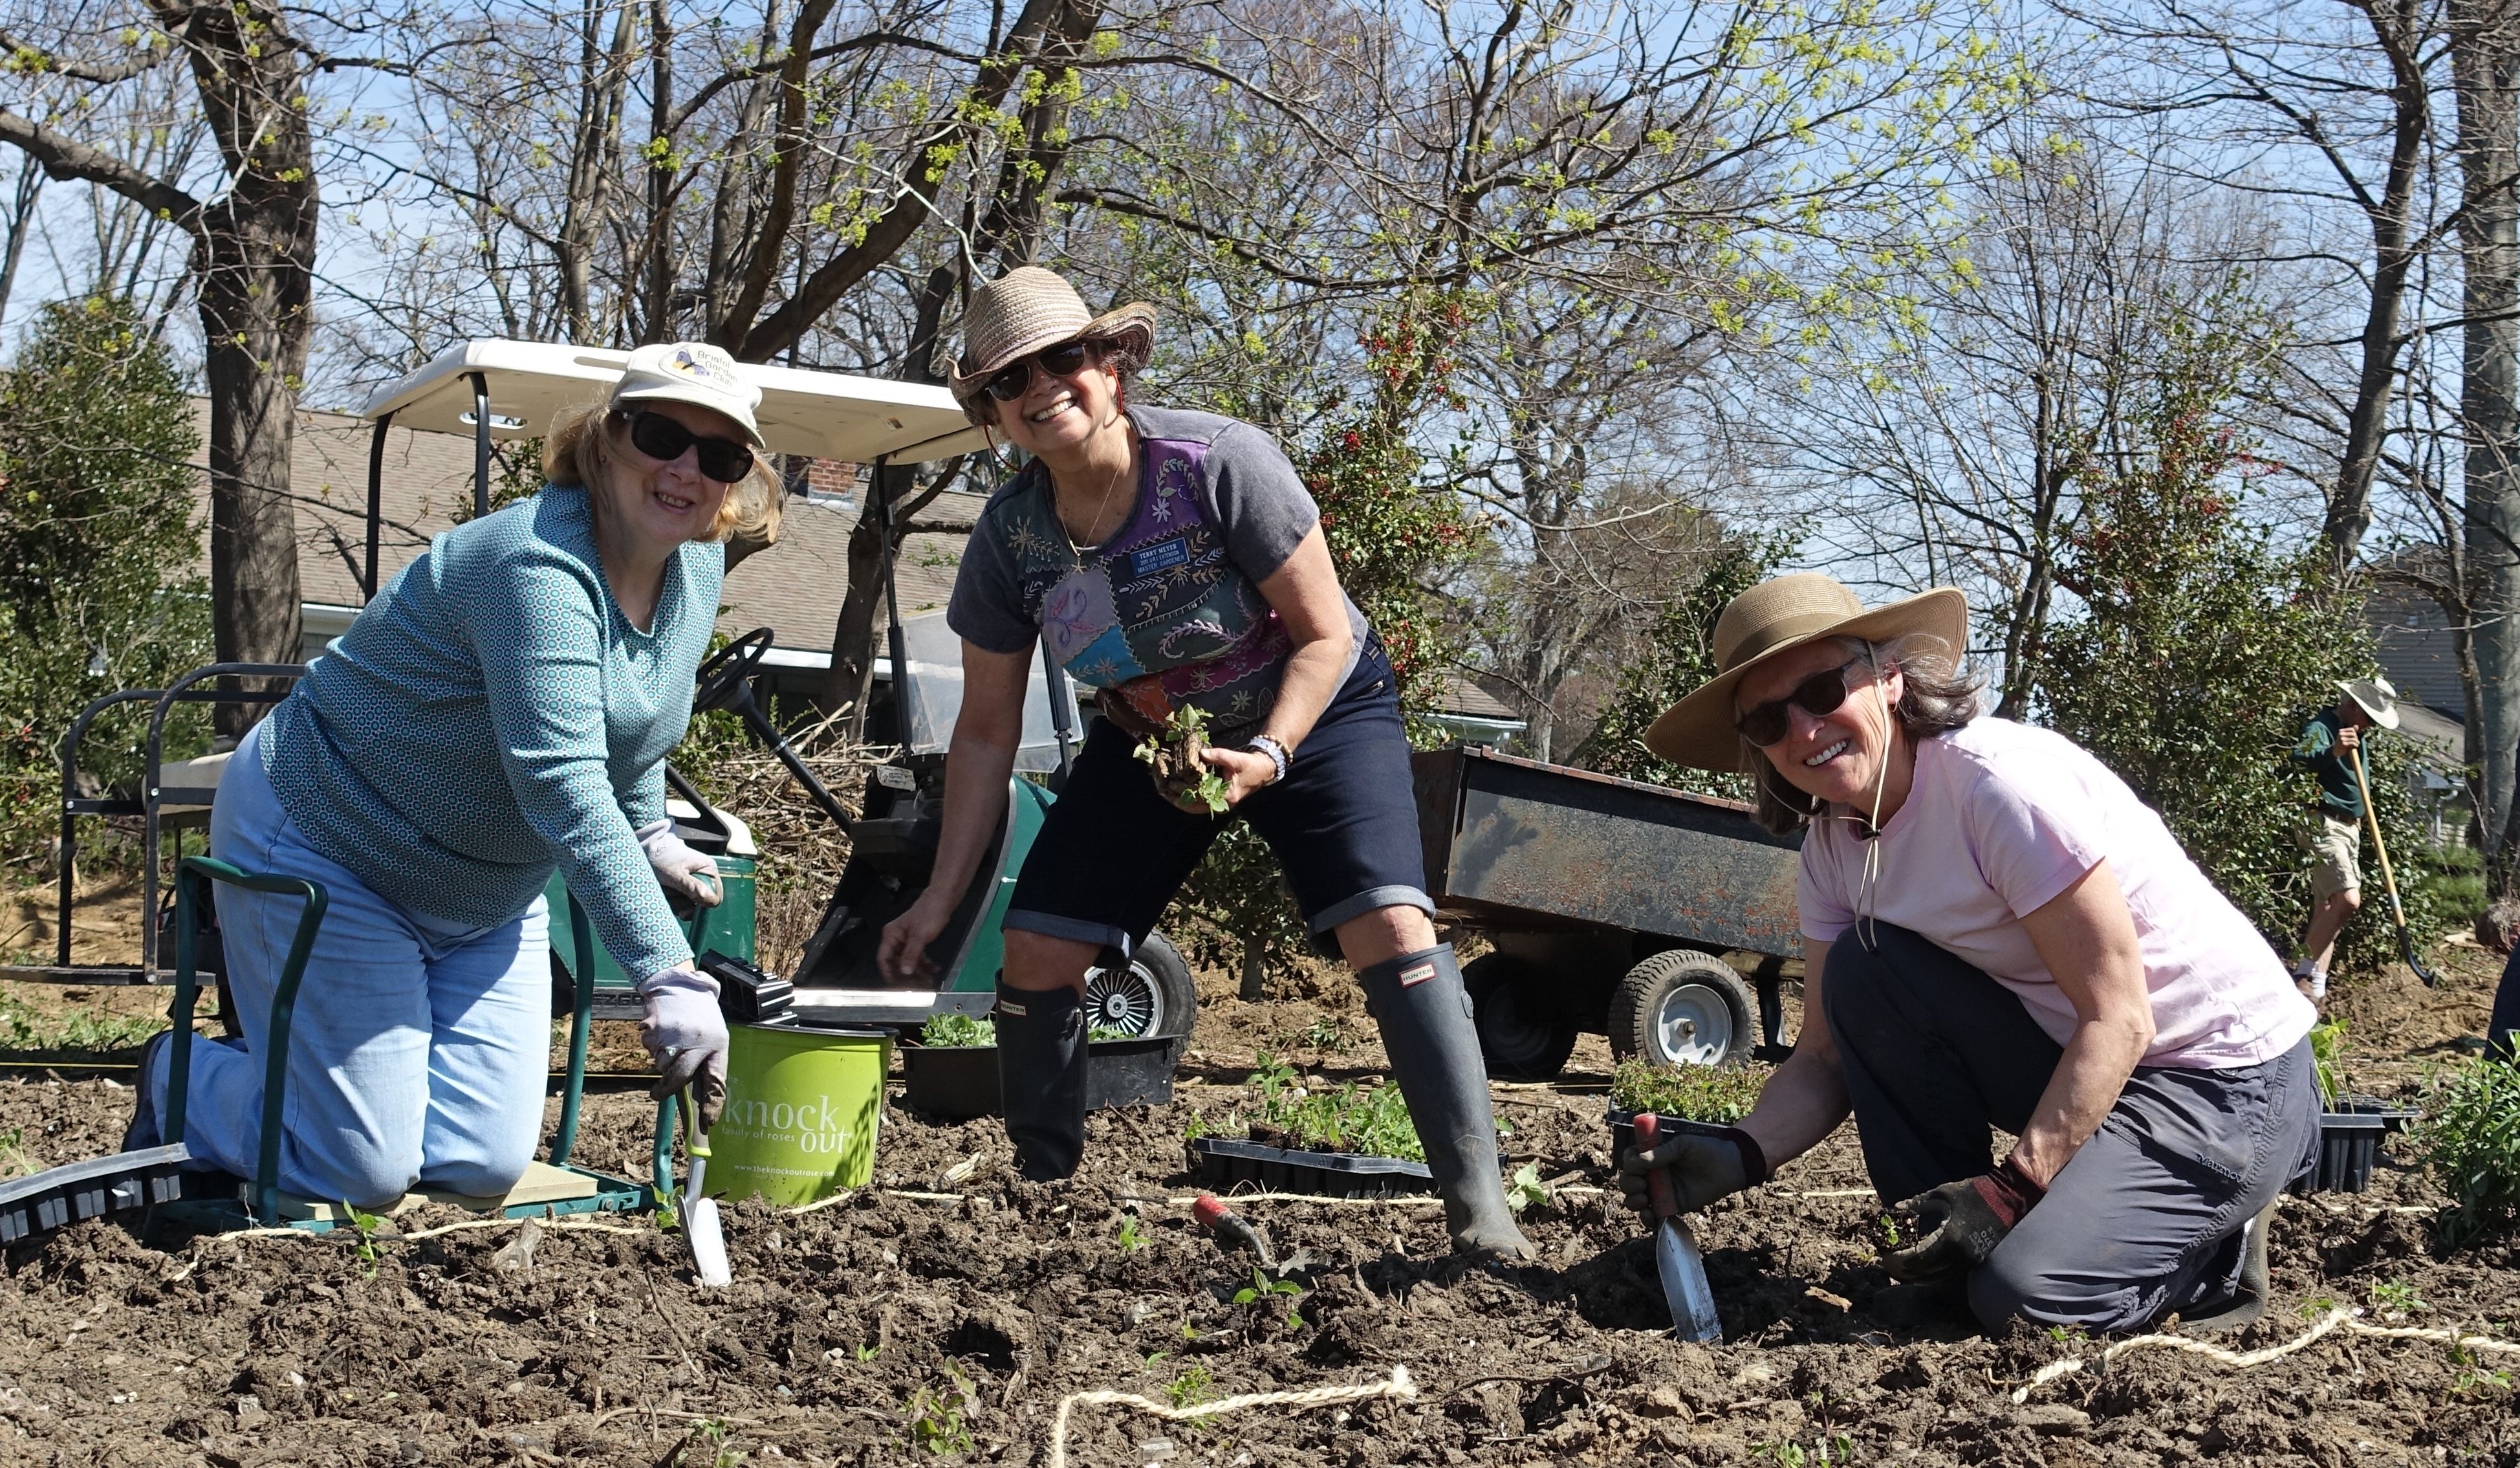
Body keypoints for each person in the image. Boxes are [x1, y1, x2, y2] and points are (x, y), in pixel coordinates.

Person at [874, 266, 1534, 1262]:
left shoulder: (1215, 464)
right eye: (1013, 380)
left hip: (1316, 708)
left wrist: (1271, 750)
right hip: (1155, 735)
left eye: (1064, 359)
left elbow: (1324, 635)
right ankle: (1045, 1197)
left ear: (1109, 366)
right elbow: (983, 734)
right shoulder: (1010, 540)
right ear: (994, 411)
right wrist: (939, 896)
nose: (1043, 386)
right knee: (1037, 953)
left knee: (1391, 926)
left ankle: (1482, 1208)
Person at [129, 343, 781, 1207]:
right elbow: (561, 783)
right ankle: (181, 1076)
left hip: (483, 892)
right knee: (358, 1169)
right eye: (663, 433)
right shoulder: (537, 566)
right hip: (334, 838)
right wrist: (665, 969)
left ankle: (315, 1096)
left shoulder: (694, 564)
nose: (686, 469)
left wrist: (650, 825)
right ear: (609, 437)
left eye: (720, 455)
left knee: (477, 1160)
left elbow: (639, 715)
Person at [1620, 573, 2321, 1332]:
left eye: (1822, 691)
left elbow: (2118, 1020)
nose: (1802, 728)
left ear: (1886, 678)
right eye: (1764, 720)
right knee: (1866, 966)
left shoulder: (1996, 791)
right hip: (2082, 1065)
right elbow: (1822, 1057)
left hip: (2221, 1083)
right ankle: (1943, 1254)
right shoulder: (1833, 846)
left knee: (2027, 1297)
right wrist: (1742, 1150)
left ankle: (2207, 1256)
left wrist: (2012, 1191)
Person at [2288, 676, 2402, 1002]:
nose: (2371, 726)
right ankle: (2303, 974)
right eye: (2369, 717)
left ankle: (2315, 991)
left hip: (2349, 829)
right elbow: (2297, 760)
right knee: (2347, 900)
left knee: (2329, 909)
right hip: (2323, 823)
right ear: (2353, 706)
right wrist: (2334, 750)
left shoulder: (2359, 735)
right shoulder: (2322, 728)